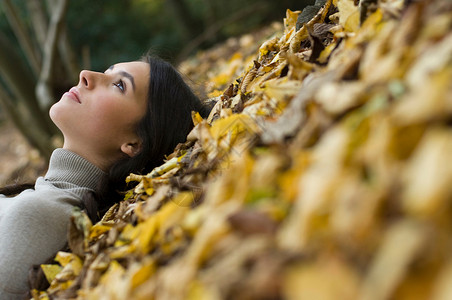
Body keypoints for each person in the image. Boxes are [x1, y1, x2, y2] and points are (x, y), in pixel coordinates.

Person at [0, 54, 211, 299]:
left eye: (119, 85)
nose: (86, 75)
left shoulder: (38, 214)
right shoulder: (42, 200)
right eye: (107, 70)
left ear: (135, 143)